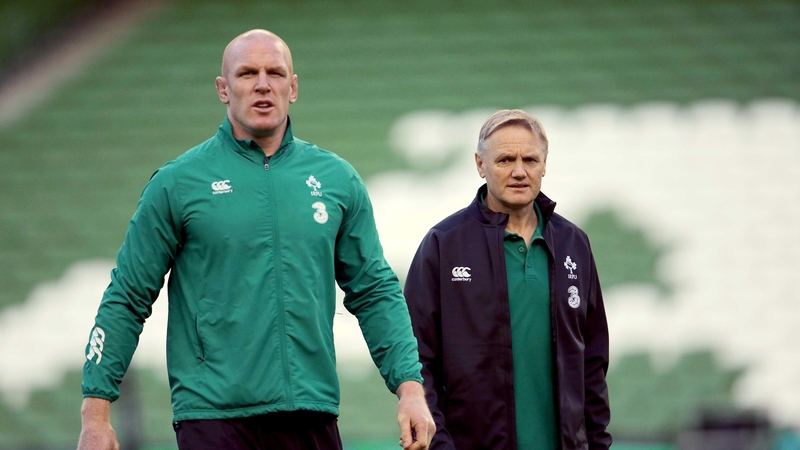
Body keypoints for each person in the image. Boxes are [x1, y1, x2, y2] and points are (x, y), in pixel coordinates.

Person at [78, 29, 435, 450]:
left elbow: (375, 291)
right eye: (247, 73)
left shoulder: (337, 179)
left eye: (275, 73)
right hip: (213, 417)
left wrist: (410, 389)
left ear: (293, 87)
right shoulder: (178, 183)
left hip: (311, 411)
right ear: (223, 89)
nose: (263, 84)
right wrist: (95, 414)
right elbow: (127, 296)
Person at [404, 109, 611, 449]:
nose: (519, 171)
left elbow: (593, 363)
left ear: (544, 164)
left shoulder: (574, 243)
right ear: (480, 165)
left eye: (530, 159)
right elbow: (416, 359)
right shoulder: (444, 243)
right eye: (504, 160)